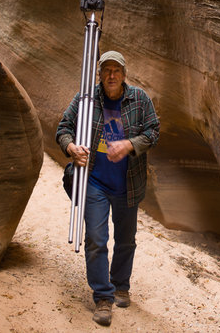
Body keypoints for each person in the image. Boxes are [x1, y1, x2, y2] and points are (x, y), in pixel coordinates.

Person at [57, 50, 160, 327]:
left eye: (116, 70)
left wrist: (130, 144)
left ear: (124, 74)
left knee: (126, 240)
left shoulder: (139, 99)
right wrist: (70, 147)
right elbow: (63, 127)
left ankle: (120, 285)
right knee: (96, 238)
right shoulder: (86, 99)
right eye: (106, 70)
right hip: (95, 182)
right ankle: (103, 297)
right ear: (99, 74)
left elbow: (154, 131)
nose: (111, 75)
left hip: (128, 184)